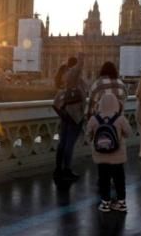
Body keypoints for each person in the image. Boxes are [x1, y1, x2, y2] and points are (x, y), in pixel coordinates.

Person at [86, 93, 132, 212]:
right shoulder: (120, 119)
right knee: (119, 179)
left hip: (101, 156)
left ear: (100, 104)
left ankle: (105, 203)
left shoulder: (94, 119)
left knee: (103, 179)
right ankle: (121, 202)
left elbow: (88, 135)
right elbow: (128, 133)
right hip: (118, 156)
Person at [53, 52, 86, 184]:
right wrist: (81, 57)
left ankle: (58, 169)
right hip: (74, 113)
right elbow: (79, 67)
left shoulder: (65, 75)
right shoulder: (73, 75)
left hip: (65, 112)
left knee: (62, 143)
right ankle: (66, 170)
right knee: (69, 144)